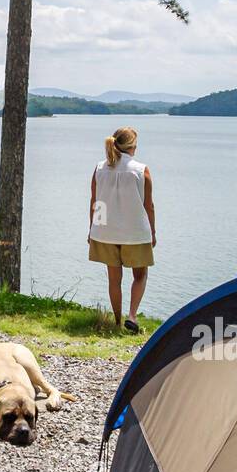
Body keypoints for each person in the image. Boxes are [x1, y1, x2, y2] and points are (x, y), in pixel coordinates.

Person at [88, 127, 155, 333]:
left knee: (114, 280)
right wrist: (152, 232)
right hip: (134, 232)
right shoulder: (141, 169)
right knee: (140, 276)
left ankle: (117, 322)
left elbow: (95, 201)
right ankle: (132, 317)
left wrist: (92, 229)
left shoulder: (100, 168)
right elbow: (148, 205)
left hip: (105, 232)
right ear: (133, 147)